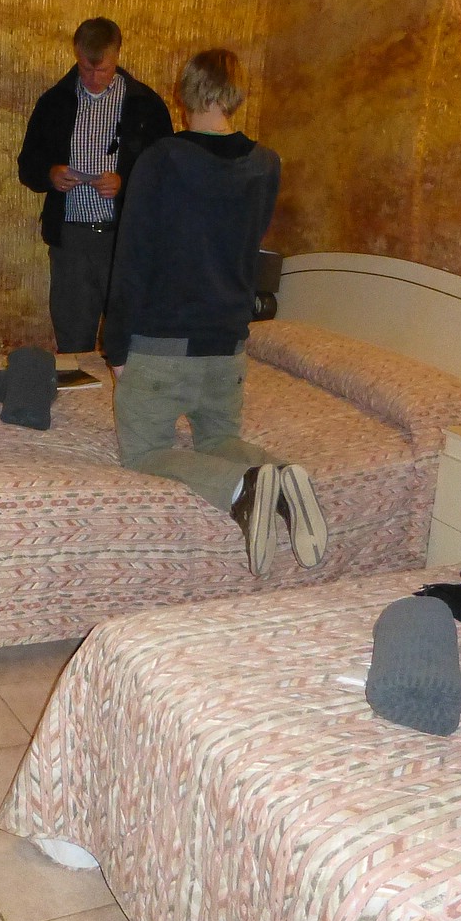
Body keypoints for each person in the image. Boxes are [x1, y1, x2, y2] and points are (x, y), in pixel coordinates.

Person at [103, 48, 325, 577]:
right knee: (219, 439)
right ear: (236, 94)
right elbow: (247, 249)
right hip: (227, 343)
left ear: (185, 93)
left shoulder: (161, 159)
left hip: (164, 342)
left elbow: (132, 258)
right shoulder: (266, 164)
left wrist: (115, 347)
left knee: (145, 453)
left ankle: (242, 487)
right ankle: (280, 473)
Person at [17, 17, 173, 358]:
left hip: (126, 240)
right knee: (73, 342)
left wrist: (125, 183)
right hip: (72, 241)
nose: (92, 78)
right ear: (76, 54)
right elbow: (27, 166)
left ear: (117, 55)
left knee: (130, 341)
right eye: (85, 69)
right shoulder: (54, 102)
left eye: (101, 70)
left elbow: (166, 177)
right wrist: (51, 174)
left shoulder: (146, 105)